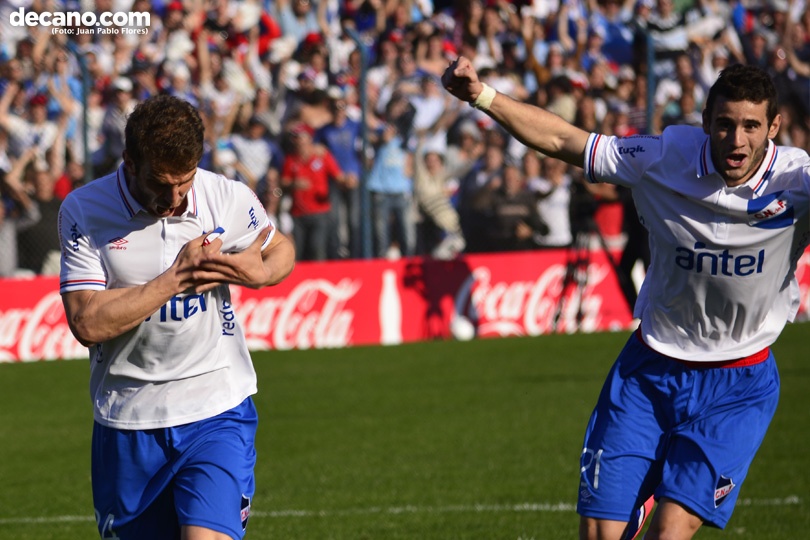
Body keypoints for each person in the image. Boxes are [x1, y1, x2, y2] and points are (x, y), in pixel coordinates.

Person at [443, 58, 809, 539]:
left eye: (751, 126)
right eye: (724, 124)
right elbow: (563, 140)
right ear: (705, 121)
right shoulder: (663, 158)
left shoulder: (798, 184)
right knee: (599, 534)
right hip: (650, 370)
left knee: (670, 531)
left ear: (773, 127)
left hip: (738, 383)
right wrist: (481, 96)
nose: (736, 140)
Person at [57, 95, 296, 540]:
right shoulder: (84, 209)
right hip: (127, 418)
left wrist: (260, 272)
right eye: (160, 183)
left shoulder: (225, 195)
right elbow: (87, 323)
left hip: (216, 407)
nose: (173, 198)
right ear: (130, 162)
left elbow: (279, 249)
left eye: (184, 183)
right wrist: (176, 278)